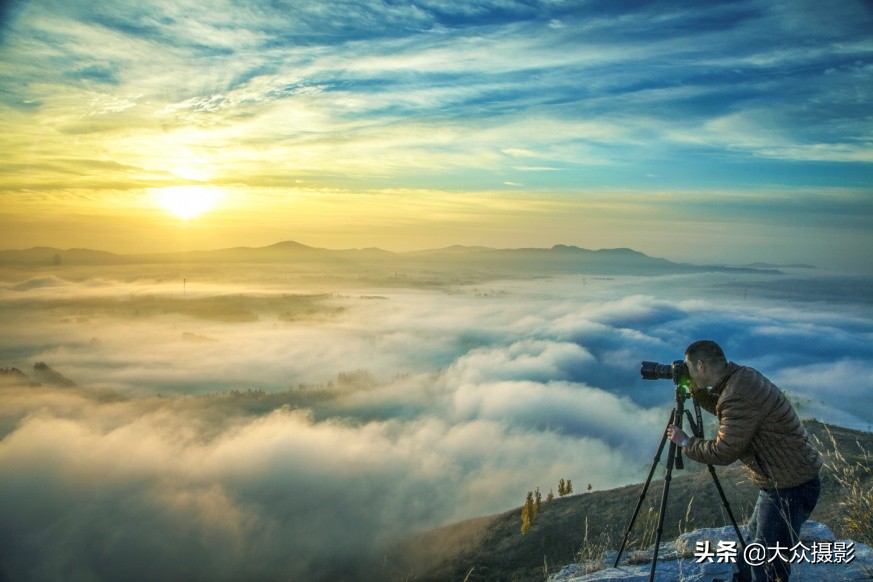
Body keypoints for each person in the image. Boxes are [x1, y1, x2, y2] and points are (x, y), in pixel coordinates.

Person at [666, 340, 822, 582]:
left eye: (690, 368)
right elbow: (726, 409)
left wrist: (686, 443)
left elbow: (723, 452)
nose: (688, 373)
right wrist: (696, 391)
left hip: (790, 487)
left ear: (702, 366)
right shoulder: (741, 378)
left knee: (768, 564)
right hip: (781, 481)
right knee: (751, 548)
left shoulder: (737, 393)